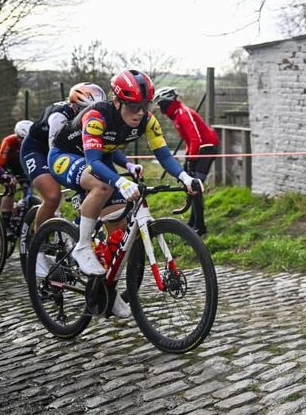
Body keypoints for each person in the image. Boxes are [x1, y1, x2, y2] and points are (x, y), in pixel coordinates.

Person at [48, 70, 202, 318]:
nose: (139, 112)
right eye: (133, 106)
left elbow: (163, 155)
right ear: (117, 101)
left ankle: (108, 290)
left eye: (144, 105)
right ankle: (82, 245)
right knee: (104, 186)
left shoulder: (147, 120)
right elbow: (94, 162)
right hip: (67, 156)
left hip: (100, 159)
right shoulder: (97, 116)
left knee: (118, 230)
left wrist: (185, 177)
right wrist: (121, 181)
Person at [21, 83, 106, 246]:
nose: (92, 113)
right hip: (38, 149)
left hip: (65, 148)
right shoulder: (58, 117)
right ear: (74, 107)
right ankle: (37, 246)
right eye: (86, 109)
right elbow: (57, 154)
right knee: (53, 196)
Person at [152, 86, 219, 235]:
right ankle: (192, 222)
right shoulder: (177, 114)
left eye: (160, 105)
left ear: (166, 103)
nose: (159, 109)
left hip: (207, 148)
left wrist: (192, 159)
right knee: (192, 187)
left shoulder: (183, 113)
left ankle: (200, 227)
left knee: (195, 186)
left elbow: (196, 138)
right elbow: (189, 142)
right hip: (200, 149)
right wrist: (187, 159)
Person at [0, 120, 33, 236]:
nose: (24, 142)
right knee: (10, 189)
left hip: (22, 166)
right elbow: (1, 162)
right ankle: (5, 224)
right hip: (7, 166)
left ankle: (20, 211)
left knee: (28, 190)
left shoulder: (33, 142)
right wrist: (7, 175)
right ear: (17, 136)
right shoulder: (9, 141)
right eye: (22, 139)